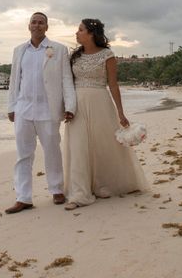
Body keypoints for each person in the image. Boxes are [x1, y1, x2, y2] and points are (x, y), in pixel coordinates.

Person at [63, 18, 148, 210]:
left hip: (100, 102)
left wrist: (121, 112)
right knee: (78, 147)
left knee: (101, 146)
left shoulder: (107, 55)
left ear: (91, 34)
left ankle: (102, 185)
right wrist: (65, 106)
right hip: (77, 105)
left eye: (80, 30)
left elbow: (113, 84)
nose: (76, 33)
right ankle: (79, 194)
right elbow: (66, 83)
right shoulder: (73, 56)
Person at [5, 12, 76, 214]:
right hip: (24, 109)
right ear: (29, 26)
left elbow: (66, 81)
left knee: (52, 150)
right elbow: (14, 81)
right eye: (33, 22)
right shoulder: (19, 50)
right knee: (23, 155)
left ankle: (56, 189)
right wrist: (12, 107)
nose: (36, 25)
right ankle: (23, 198)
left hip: (48, 110)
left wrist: (69, 106)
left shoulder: (59, 50)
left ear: (46, 27)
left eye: (41, 22)